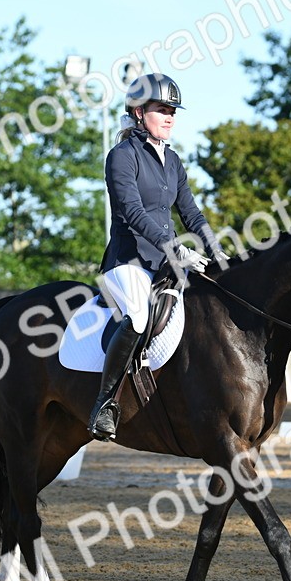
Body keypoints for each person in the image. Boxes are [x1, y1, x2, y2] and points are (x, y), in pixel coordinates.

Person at [88, 73, 226, 441]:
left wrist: (216, 251)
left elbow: (191, 213)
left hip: (165, 264)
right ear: (138, 112)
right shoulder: (122, 156)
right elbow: (132, 211)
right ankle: (105, 403)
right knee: (137, 318)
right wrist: (174, 246)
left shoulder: (173, 161)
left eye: (173, 112)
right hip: (128, 262)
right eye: (162, 110)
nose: (169, 117)